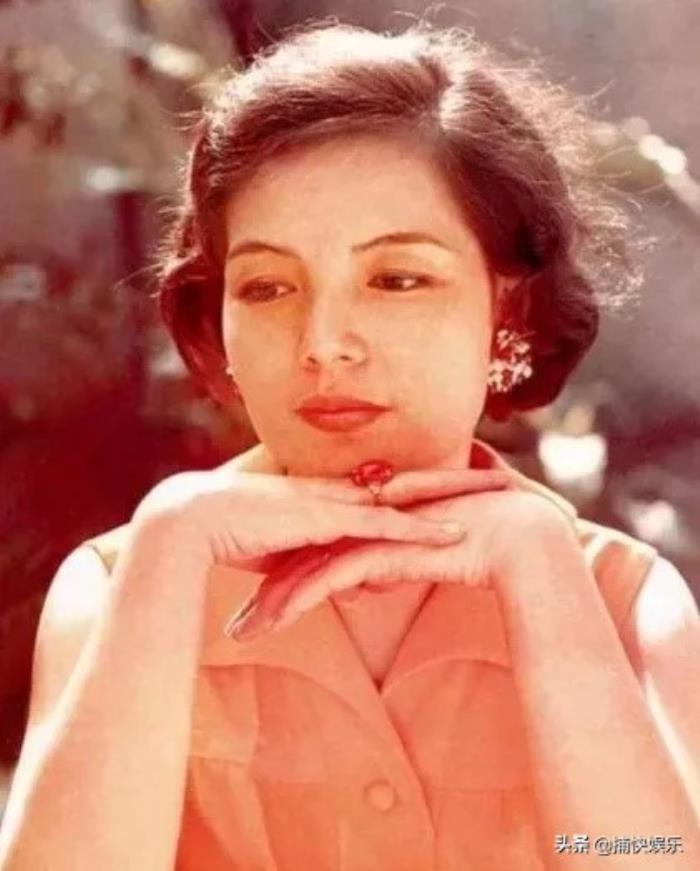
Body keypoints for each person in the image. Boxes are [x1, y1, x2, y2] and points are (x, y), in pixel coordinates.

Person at [1, 19, 698, 871]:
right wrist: (171, 553)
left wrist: (545, 581)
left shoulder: (624, 601)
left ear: (507, 309)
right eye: (267, 286)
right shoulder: (122, 584)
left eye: (397, 278)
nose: (323, 342)